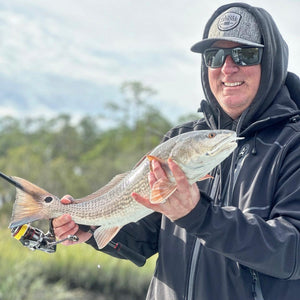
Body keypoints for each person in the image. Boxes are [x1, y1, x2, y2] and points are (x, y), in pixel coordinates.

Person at [53, 2, 300, 299]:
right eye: (215, 55)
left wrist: (200, 216)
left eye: (245, 54)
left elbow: (292, 252)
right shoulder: (180, 139)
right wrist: (90, 227)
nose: (227, 67)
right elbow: (145, 236)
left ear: (271, 61)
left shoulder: (293, 144)